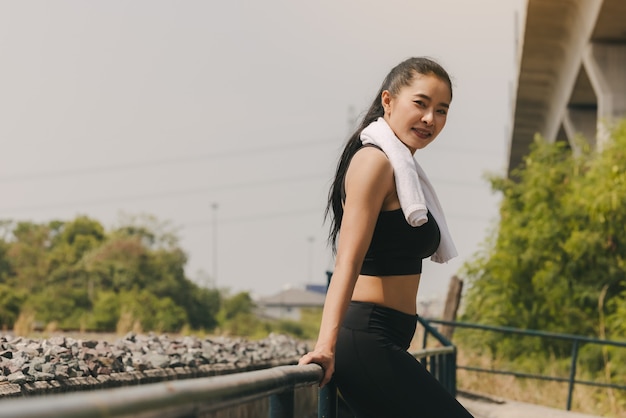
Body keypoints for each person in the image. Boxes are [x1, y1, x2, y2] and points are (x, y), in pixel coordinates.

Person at [298, 57, 474, 418]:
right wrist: (325, 345)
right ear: (388, 101)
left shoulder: (405, 171)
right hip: (367, 338)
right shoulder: (374, 163)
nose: (430, 119)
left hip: (387, 339)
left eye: (441, 110)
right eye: (421, 104)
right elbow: (347, 260)